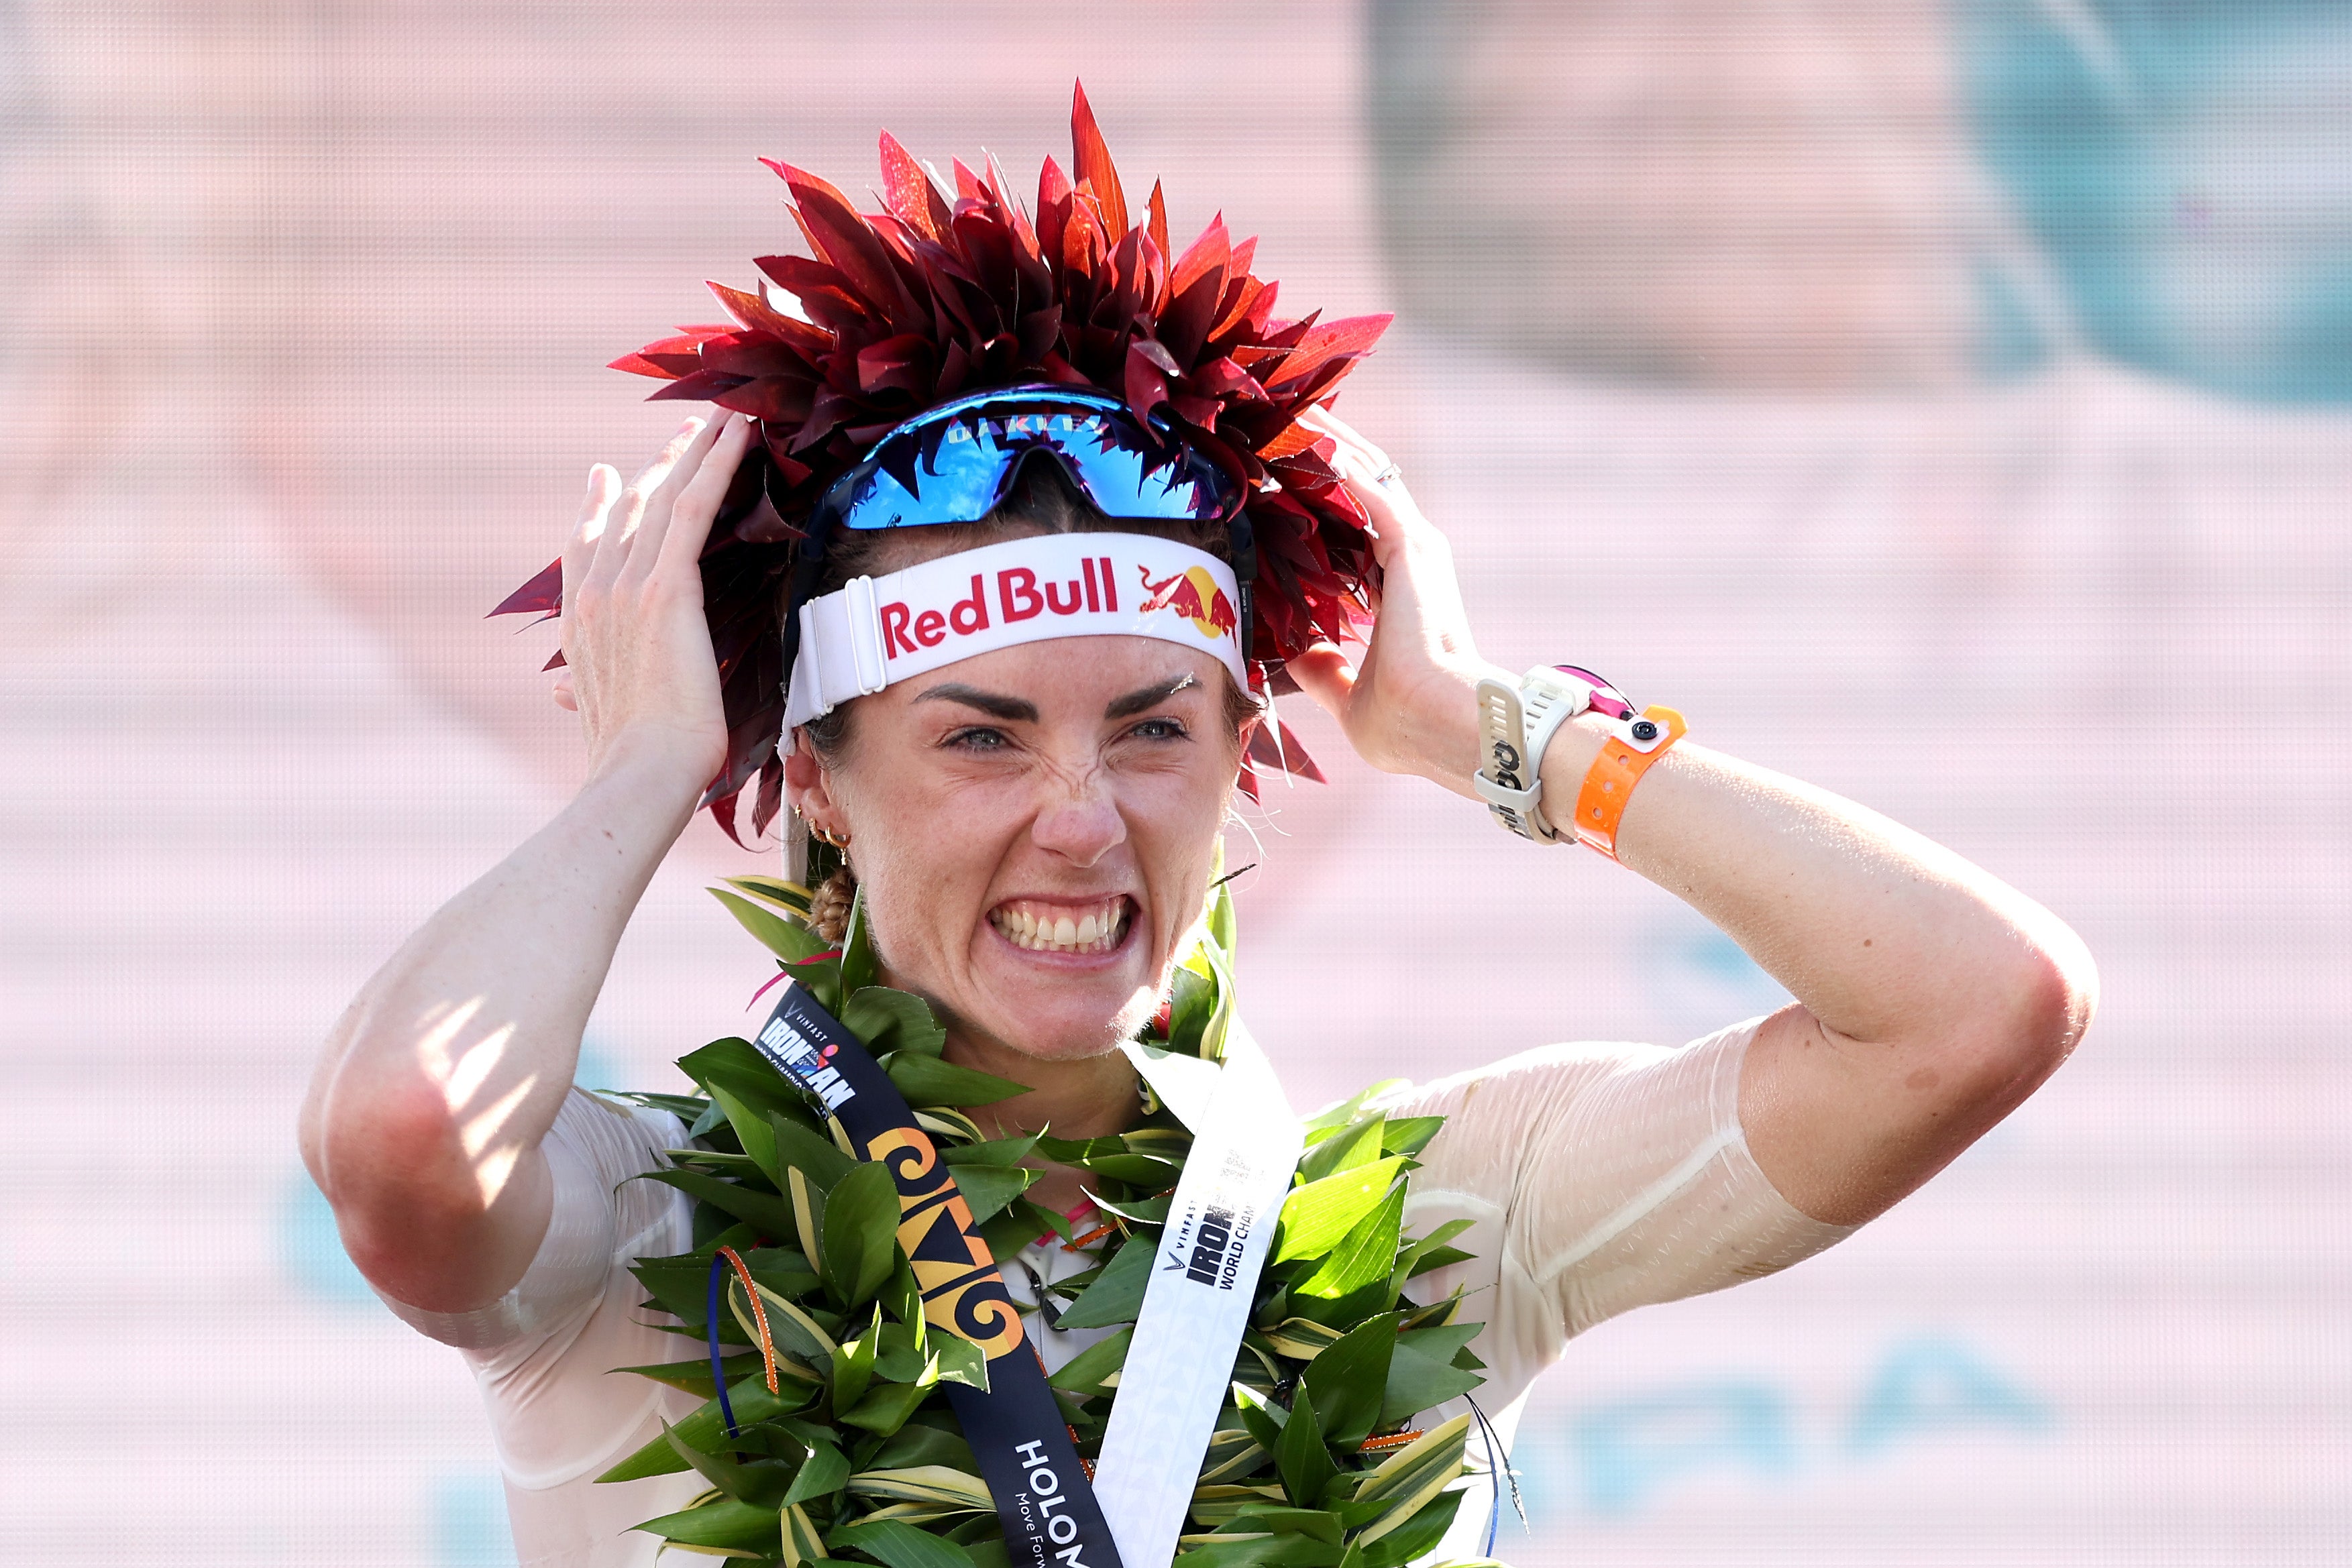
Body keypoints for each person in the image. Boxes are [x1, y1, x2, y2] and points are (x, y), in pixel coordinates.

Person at [297, 101, 2096, 1568]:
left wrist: (1492, 729)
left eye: (1152, 727)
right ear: (821, 779)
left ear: (1247, 747)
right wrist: (644, 768)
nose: (1078, 819)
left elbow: (1977, 1005)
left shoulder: (1436, 1220)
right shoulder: (642, 1238)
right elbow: (399, 1139)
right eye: (979, 735)